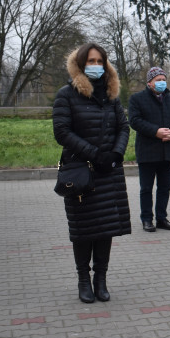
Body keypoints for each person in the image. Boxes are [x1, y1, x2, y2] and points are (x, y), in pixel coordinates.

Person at [53, 43, 131, 303]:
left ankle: (101, 279)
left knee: (105, 229)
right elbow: (62, 132)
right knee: (84, 230)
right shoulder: (67, 94)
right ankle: (83, 280)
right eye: (91, 61)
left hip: (108, 171)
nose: (95, 66)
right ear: (80, 64)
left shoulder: (112, 96)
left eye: (100, 61)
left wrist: (115, 155)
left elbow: (124, 127)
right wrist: (94, 154)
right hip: (81, 172)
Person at [129, 67, 170, 232]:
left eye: (163, 79)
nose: (161, 82)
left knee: (164, 187)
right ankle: (147, 219)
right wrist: (156, 132)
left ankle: (162, 218)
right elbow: (134, 121)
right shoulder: (137, 99)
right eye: (158, 80)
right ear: (149, 82)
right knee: (146, 188)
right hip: (147, 151)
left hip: (168, 150)